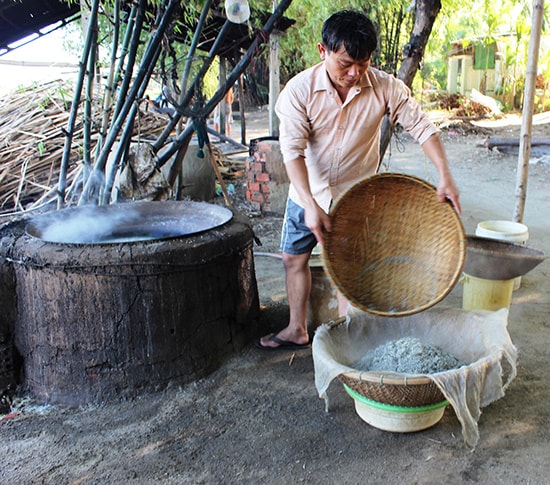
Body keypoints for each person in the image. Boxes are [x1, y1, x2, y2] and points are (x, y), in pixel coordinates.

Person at [256, 10, 461, 350]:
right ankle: (296, 328)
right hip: (307, 192)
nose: (354, 73)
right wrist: (309, 205)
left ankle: (352, 341)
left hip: (356, 196)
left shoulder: (385, 87)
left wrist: (445, 176)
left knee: (350, 273)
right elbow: (291, 152)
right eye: (346, 63)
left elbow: (422, 127)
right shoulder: (298, 91)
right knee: (293, 259)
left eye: (362, 63)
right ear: (323, 51)